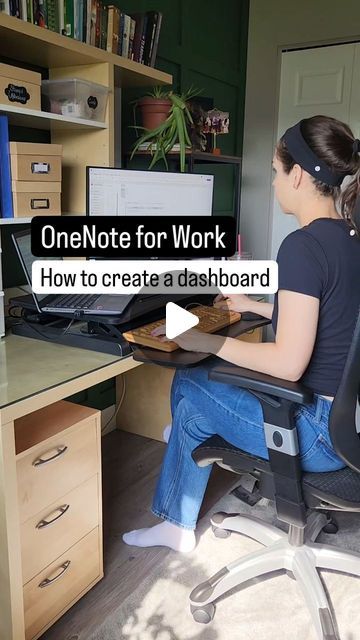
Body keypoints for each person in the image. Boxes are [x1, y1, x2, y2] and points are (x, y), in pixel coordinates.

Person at [123, 115, 360, 553]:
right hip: (344, 427)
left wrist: (207, 341)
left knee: (190, 381)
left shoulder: (302, 246)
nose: (272, 183)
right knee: (194, 404)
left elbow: (290, 361)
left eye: (275, 172)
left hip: (312, 434)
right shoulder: (348, 236)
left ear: (299, 175)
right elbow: (331, 317)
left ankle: (177, 516)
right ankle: (182, 449)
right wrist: (257, 306)